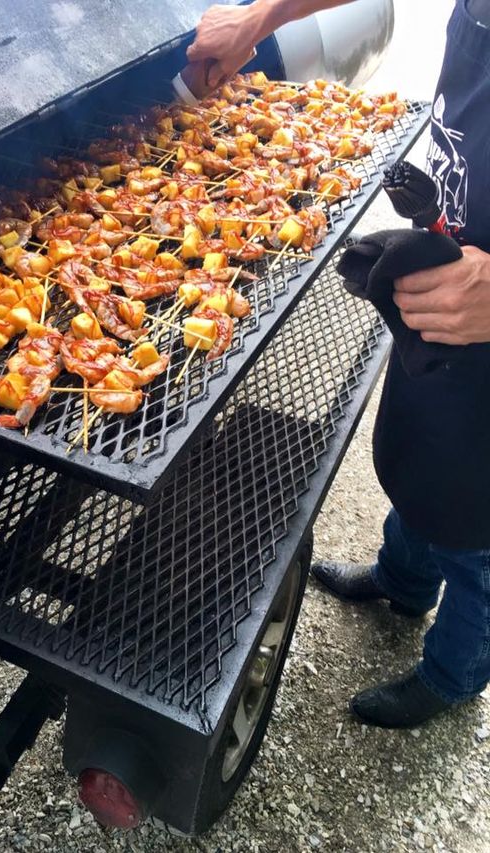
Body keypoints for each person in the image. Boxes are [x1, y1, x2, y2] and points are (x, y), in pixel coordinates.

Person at [189, 0, 490, 728]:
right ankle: (402, 582)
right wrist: (263, 17)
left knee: (479, 527)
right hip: (453, 265)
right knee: (423, 443)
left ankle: (455, 672)